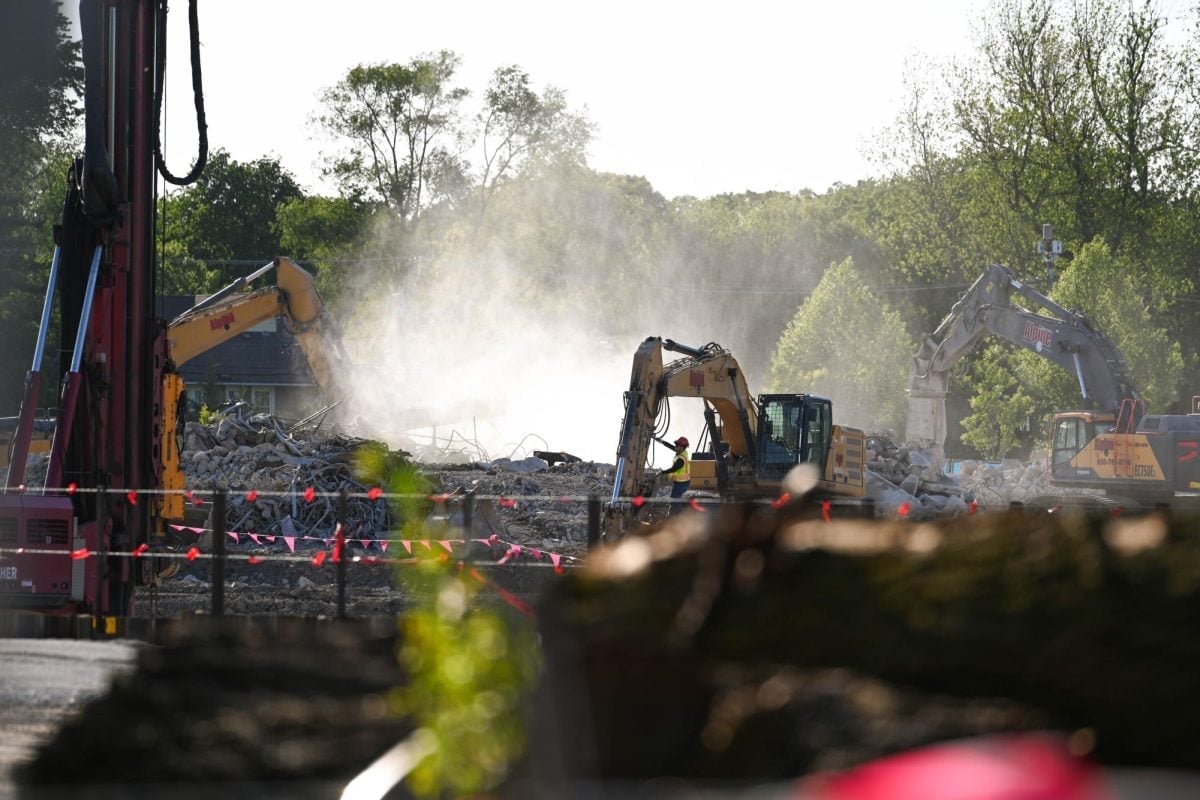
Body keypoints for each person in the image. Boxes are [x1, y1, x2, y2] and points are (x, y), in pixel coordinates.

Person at [655, 435, 691, 515]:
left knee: (674, 500)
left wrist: (662, 472)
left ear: (682, 447)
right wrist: (661, 441)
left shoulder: (681, 459)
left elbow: (674, 469)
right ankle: (679, 514)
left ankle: (671, 518)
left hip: (681, 484)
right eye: (676, 444)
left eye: (677, 445)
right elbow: (671, 447)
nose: (675, 446)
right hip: (682, 482)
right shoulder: (682, 452)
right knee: (676, 500)